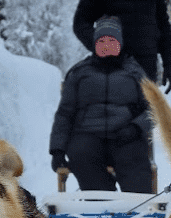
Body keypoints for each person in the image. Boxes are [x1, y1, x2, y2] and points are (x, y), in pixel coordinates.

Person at [49, 16, 153, 194]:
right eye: (101, 40)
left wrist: (136, 128)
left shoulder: (135, 72)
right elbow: (65, 113)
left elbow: (154, 109)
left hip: (126, 136)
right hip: (87, 135)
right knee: (80, 154)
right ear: (95, 44)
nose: (106, 45)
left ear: (120, 43)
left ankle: (138, 212)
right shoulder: (79, 72)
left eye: (111, 40)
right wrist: (57, 150)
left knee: (136, 166)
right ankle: (103, 204)